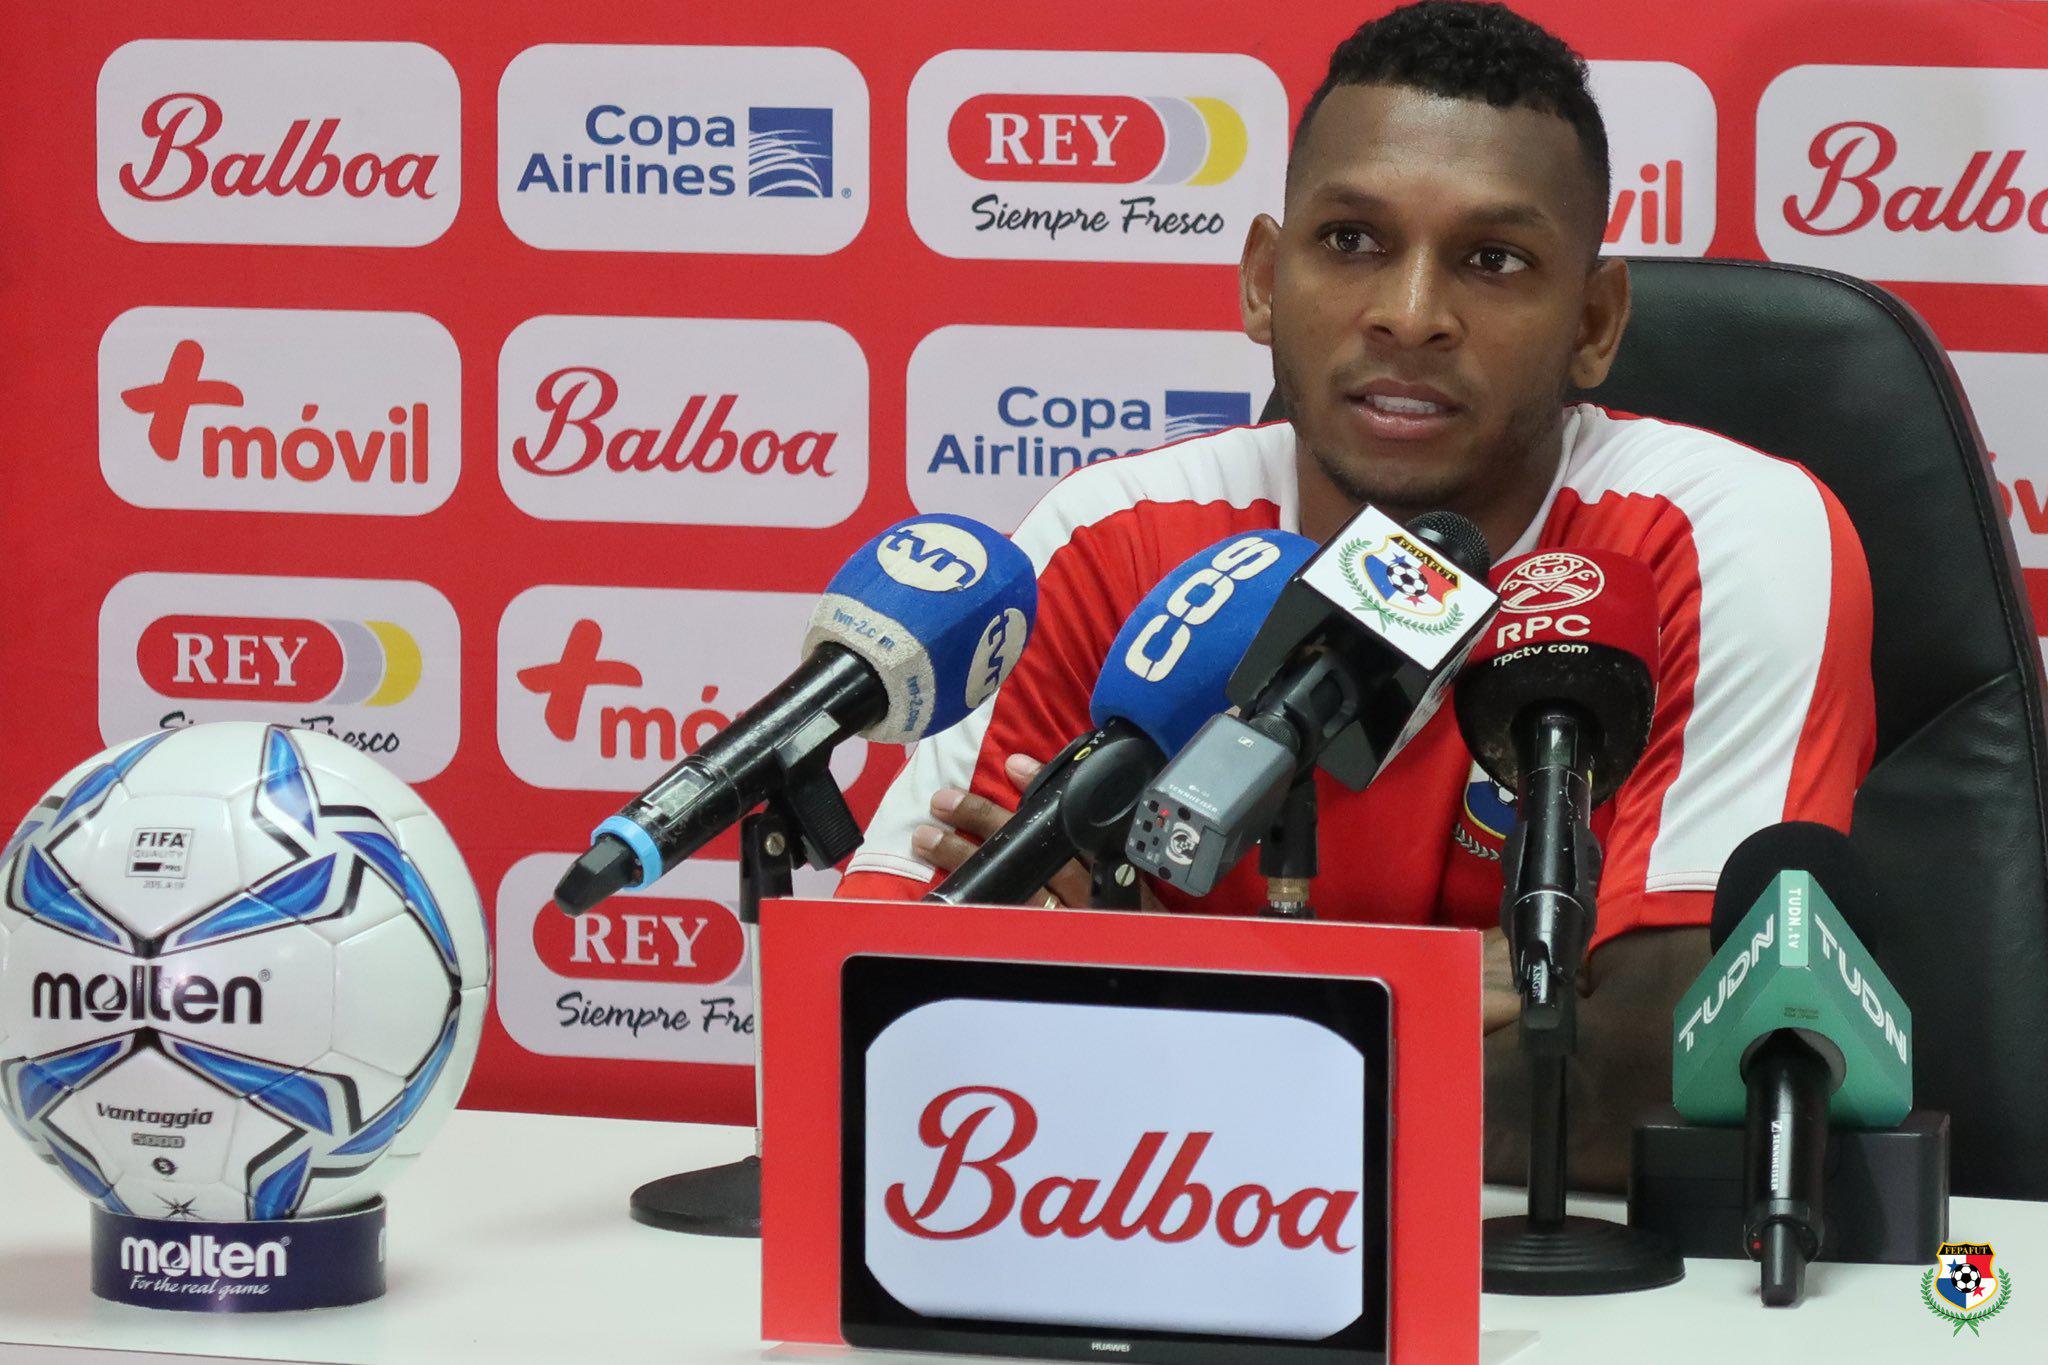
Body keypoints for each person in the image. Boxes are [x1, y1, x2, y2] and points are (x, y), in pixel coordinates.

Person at [836, 0, 1875, 1191]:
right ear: (1263, 281)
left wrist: (1133, 985)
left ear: (1591, 324)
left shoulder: (1715, 535)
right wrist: (1429, 987)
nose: (1410, 313)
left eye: (1491, 260)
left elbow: (1646, 1083)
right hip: (1155, 1248)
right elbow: (888, 1022)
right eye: (1350, 242)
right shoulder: (1109, 541)